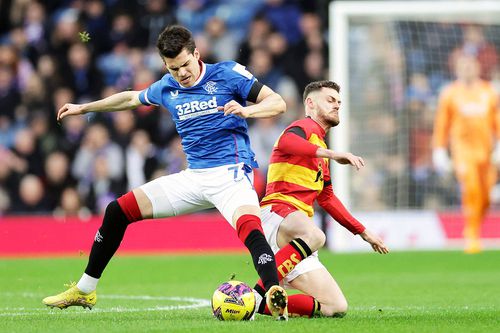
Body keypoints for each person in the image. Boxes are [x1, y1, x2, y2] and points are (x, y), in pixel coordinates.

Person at [42, 25, 289, 320]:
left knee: (251, 230)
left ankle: (274, 293)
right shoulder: (166, 87)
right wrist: (84, 108)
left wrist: (248, 111)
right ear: (164, 65)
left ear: (196, 54)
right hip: (194, 177)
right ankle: (85, 290)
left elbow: (278, 102)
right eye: (174, 68)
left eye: (185, 64)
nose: (182, 73)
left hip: (231, 173)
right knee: (117, 210)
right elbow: (131, 98)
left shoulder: (228, 73)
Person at [252, 80, 389, 318]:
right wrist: (333, 154)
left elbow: (327, 199)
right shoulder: (303, 127)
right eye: (330, 100)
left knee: (335, 306)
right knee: (315, 235)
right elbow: (286, 141)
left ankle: (252, 305)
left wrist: (363, 232)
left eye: (338, 102)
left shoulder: (320, 150)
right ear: (310, 103)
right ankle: (256, 293)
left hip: (296, 233)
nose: (337, 105)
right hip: (278, 212)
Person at [432, 55, 500, 254]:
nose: (467, 69)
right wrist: (439, 150)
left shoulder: (490, 92)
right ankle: (472, 236)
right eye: (463, 66)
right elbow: (442, 124)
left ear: (477, 68)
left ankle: (474, 228)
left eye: (471, 65)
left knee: (486, 195)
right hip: (462, 151)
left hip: (486, 152)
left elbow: (497, 121)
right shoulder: (450, 93)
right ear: (458, 69)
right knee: (470, 188)